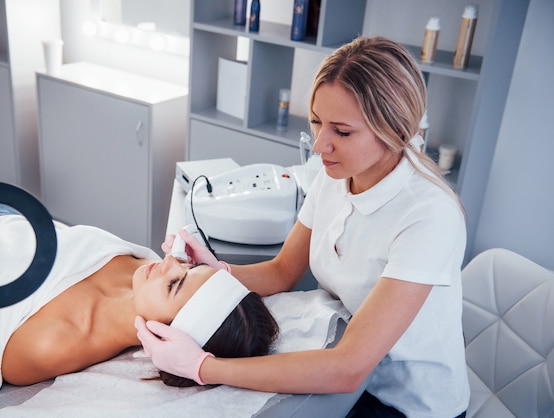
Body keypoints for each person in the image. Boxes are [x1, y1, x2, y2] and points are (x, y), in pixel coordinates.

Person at [136, 36, 469, 418]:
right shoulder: (336, 174)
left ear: (393, 129)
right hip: (344, 367)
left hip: (404, 402)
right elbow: (282, 271)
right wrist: (216, 272)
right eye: (316, 122)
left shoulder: (429, 217)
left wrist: (202, 367)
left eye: (341, 132)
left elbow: (347, 369)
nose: (319, 146)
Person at [0, 176, 278, 394]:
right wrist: (212, 273)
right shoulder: (147, 277)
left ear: (166, 335)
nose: (169, 263)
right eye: (189, 266)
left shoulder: (51, 344)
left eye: (175, 285)